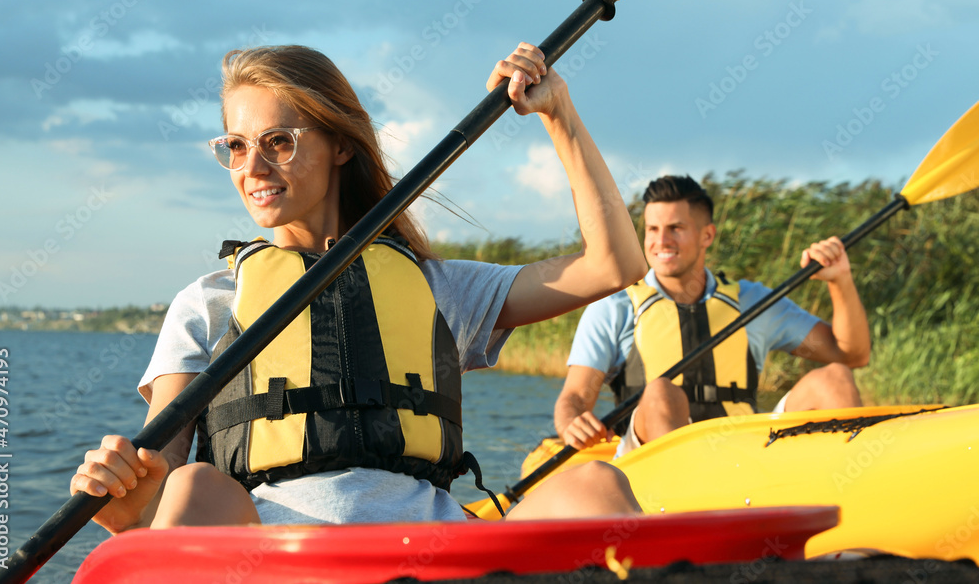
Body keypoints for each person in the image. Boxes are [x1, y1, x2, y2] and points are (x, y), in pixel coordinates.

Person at [70, 42, 649, 532]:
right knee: (196, 483)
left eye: (278, 141)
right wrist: (124, 495)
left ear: (340, 145)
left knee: (595, 484)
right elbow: (156, 488)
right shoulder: (208, 303)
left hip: (431, 550)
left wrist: (559, 113)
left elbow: (613, 264)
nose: (252, 168)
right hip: (277, 557)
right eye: (236, 146)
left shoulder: (433, 284)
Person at [555, 175, 871, 456]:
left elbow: (851, 353)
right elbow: (575, 397)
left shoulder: (753, 302)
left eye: (675, 229)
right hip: (648, 459)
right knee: (662, 392)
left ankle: (852, 501)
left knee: (835, 378)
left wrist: (840, 281)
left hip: (745, 449)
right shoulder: (616, 306)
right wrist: (573, 422)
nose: (660, 241)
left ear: (707, 236)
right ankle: (687, 505)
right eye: (653, 229)